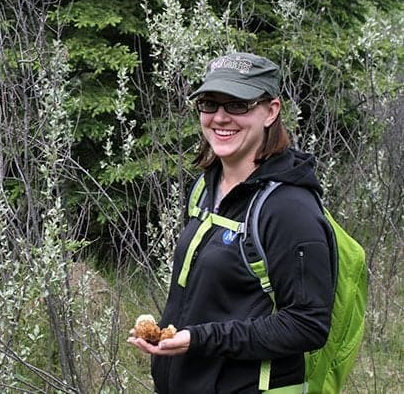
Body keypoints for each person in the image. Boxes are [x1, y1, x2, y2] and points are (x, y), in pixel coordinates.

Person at [128, 52, 336, 393]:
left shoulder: (289, 208)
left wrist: (200, 339)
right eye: (209, 104)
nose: (220, 118)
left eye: (238, 105)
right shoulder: (205, 189)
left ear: (271, 111)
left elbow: (308, 324)